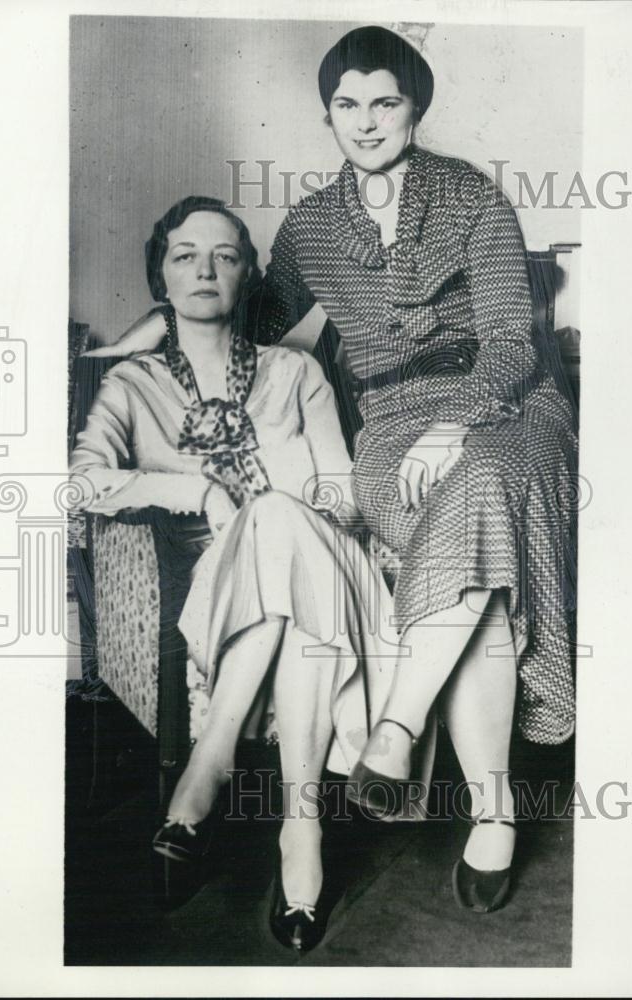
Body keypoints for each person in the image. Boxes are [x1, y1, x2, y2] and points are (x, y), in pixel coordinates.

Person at [88, 25, 578, 915]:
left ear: (414, 108)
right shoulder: (311, 224)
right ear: (327, 115)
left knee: (480, 488)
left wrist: (459, 424)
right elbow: (248, 314)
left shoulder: (471, 197)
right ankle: (487, 805)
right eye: (346, 104)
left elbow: (513, 343)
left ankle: (403, 740)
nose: (365, 120)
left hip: (507, 407)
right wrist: (168, 318)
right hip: (390, 423)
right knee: (473, 551)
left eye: (383, 101)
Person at [70, 195, 411, 952]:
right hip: (213, 596)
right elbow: (82, 481)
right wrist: (199, 490)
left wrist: (293, 506)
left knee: (284, 517)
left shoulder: (294, 371)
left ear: (247, 274)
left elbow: (341, 489)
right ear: (160, 274)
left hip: (324, 563)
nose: (205, 269)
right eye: (186, 254)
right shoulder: (132, 385)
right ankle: (302, 827)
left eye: (225, 256)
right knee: (278, 553)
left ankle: (206, 769)